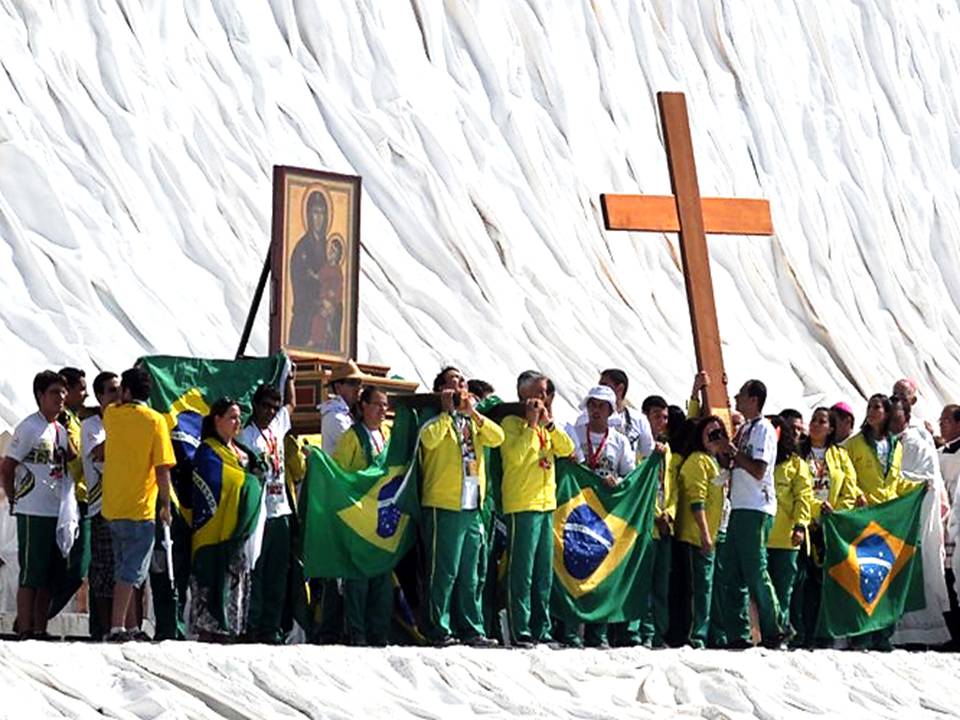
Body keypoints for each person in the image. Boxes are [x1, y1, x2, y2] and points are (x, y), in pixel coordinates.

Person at [420, 366, 504, 647]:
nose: (459, 387)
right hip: (444, 503)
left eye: (462, 382)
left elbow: (497, 437)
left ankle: (471, 627)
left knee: (470, 572)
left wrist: (474, 413)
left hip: (471, 504)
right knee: (444, 570)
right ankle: (438, 627)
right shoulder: (433, 417)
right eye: (452, 383)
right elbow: (428, 441)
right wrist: (446, 412)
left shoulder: (472, 421)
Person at [501, 372, 575, 648]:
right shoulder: (511, 423)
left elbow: (568, 449)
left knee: (543, 571)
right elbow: (515, 457)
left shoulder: (546, 426)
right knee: (523, 570)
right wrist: (531, 425)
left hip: (546, 504)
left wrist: (549, 426)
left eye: (545, 394)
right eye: (538, 393)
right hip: (522, 503)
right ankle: (521, 627)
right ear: (523, 395)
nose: (543, 399)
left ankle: (541, 627)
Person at [101, 367, 175, 642]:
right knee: (132, 572)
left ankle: (130, 626)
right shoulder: (156, 421)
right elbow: (162, 468)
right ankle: (117, 626)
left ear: (127, 391)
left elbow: (110, 406)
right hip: (140, 506)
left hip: (113, 505)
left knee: (124, 568)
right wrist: (166, 504)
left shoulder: (111, 416)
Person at [0, 371, 73, 639]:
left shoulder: (60, 430)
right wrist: (14, 498)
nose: (61, 398)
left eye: (64, 393)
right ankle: (25, 627)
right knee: (31, 571)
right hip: (32, 509)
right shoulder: (29, 427)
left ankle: (41, 627)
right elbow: (7, 467)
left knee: (49, 575)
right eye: (54, 393)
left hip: (56, 510)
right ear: (40, 396)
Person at [844, 394, 920, 650]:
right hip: (865, 516)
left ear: (887, 413)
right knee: (863, 574)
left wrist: (916, 488)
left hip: (888, 516)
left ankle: (882, 633)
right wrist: (857, 495)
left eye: (878, 407)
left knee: (886, 575)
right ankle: (860, 633)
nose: (872, 411)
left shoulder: (895, 446)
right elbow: (846, 476)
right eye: (869, 407)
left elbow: (895, 482)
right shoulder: (853, 445)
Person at [190, 398, 267, 641]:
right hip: (214, 530)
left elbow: (252, 476)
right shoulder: (208, 450)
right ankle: (209, 631)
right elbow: (220, 481)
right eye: (232, 417)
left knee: (238, 577)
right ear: (217, 420)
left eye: (239, 417)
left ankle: (233, 630)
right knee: (212, 577)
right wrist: (248, 482)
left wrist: (257, 475)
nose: (237, 422)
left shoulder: (243, 451)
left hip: (239, 529)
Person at [570, 385, 636, 649]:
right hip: (577, 513)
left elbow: (630, 476)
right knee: (573, 569)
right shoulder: (575, 433)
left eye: (601, 406)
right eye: (592, 405)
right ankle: (571, 630)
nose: (596, 411)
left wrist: (616, 480)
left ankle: (598, 632)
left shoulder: (619, 441)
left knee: (601, 573)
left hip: (605, 518)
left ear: (610, 411)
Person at [719, 379, 783, 648]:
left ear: (754, 398)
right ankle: (738, 632)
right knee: (731, 572)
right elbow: (735, 464)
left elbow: (758, 469)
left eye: (741, 394)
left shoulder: (764, 429)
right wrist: (724, 452)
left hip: (756, 507)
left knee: (756, 570)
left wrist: (735, 453)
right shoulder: (744, 429)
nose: (736, 397)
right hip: (739, 505)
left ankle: (776, 628)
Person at [886, 392, 950, 647]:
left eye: (897, 415)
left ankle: (921, 632)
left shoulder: (915, 442)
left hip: (914, 517)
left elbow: (926, 480)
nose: (892, 420)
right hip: (893, 518)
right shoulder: (884, 443)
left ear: (907, 417)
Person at [792, 407, 860, 647]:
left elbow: (850, 489)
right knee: (801, 580)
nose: (815, 425)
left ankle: (823, 632)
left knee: (824, 581)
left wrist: (837, 511)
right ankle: (800, 631)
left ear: (831, 428)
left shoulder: (839, 456)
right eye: (813, 420)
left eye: (821, 422)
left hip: (829, 526)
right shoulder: (799, 452)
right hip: (804, 523)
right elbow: (794, 487)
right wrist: (814, 508)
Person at [239, 373, 296, 644]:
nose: (271, 412)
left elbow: (291, 406)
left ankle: (271, 627)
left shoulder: (278, 425)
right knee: (257, 571)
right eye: (266, 406)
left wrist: (289, 377)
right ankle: (254, 625)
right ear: (255, 405)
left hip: (281, 510)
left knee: (277, 573)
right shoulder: (246, 435)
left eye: (274, 407)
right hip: (260, 513)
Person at [333, 387, 393, 646]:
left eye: (385, 406)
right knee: (358, 576)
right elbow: (340, 474)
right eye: (378, 405)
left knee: (382, 575)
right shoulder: (352, 437)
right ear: (364, 406)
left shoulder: (389, 434)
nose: (383, 411)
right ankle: (357, 632)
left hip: (384, 515)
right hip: (359, 516)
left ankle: (379, 631)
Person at [315, 360, 363, 640]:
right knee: (337, 568)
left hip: (346, 493)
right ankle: (330, 626)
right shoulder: (335, 417)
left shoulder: (346, 414)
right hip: (338, 495)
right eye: (352, 383)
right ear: (338, 387)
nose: (358, 389)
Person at [675, 415, 728, 648]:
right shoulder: (698, 461)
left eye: (719, 434)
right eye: (710, 433)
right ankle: (696, 635)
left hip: (712, 535)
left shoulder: (715, 462)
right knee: (699, 589)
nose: (715, 438)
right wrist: (706, 533)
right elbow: (697, 501)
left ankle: (708, 632)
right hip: (695, 536)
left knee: (710, 588)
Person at [765, 416, 813, 643]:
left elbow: (803, 497)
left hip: (786, 537)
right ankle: (764, 629)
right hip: (762, 534)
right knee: (762, 588)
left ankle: (780, 630)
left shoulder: (797, 465)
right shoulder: (762, 461)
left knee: (783, 589)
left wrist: (800, 526)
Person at [81, 371, 120, 639]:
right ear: (99, 396)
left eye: (120, 390)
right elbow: (99, 454)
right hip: (101, 507)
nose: (117, 396)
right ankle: (102, 630)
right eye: (111, 391)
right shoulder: (92, 425)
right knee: (103, 573)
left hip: (125, 505)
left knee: (124, 572)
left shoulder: (122, 421)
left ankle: (122, 627)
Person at [637, 396, 676, 648]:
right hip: (646, 524)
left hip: (665, 525)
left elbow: (671, 487)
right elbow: (639, 486)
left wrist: (669, 512)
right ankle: (643, 631)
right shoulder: (641, 447)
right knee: (643, 582)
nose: (661, 422)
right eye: (656, 416)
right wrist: (654, 513)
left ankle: (660, 632)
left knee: (661, 584)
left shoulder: (667, 448)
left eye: (664, 417)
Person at [289, 190, 331, 347]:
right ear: (308, 215)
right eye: (315, 212)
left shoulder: (330, 247)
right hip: (305, 317)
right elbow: (300, 284)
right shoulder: (302, 248)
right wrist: (318, 302)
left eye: (322, 213)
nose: (318, 218)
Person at [939, 404, 960, 647]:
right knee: (947, 576)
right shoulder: (939, 453)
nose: (942, 423)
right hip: (944, 520)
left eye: (947, 420)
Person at [598, 369, 654, 457]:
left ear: (620, 389)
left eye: (604, 386)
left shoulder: (639, 419)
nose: (599, 390)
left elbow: (648, 453)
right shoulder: (590, 415)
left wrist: (659, 450)